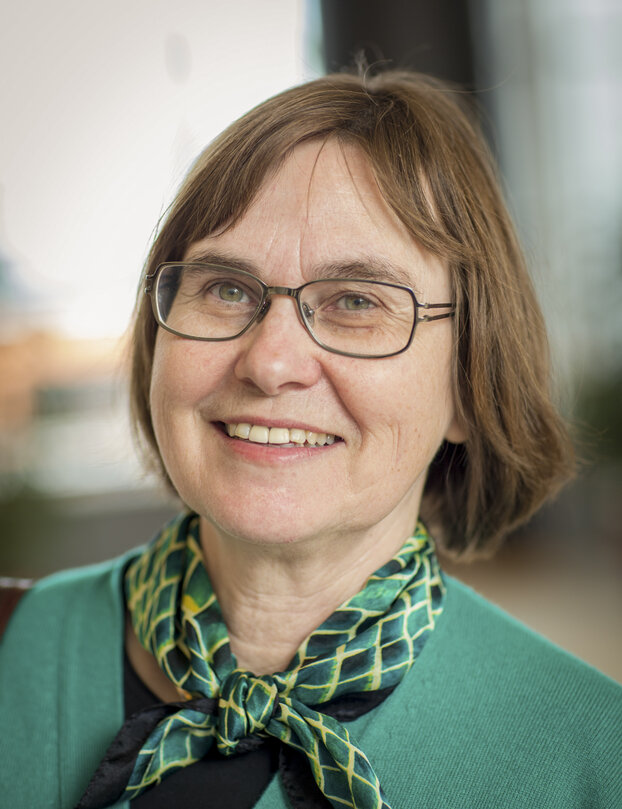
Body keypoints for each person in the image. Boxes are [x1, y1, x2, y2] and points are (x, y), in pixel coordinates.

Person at [0, 70, 620, 809]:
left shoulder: (593, 760)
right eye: (226, 287)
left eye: (357, 301)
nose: (269, 362)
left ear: (469, 378)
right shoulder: (12, 645)